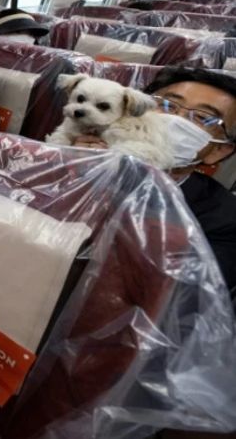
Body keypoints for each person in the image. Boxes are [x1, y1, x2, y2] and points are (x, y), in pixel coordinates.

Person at [73, 67, 236, 293]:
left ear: (218, 151)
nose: (173, 120)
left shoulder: (225, 222)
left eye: (202, 118)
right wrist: (71, 168)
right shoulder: (72, 156)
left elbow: (177, 296)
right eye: (166, 105)